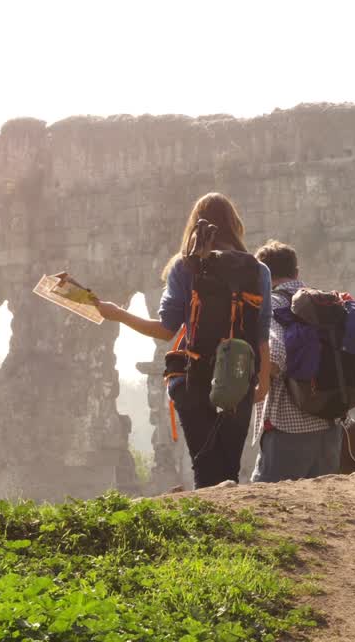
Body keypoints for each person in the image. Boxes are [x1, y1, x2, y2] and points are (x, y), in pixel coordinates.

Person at [97, 192, 272, 489]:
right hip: (238, 376)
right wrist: (263, 380)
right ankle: (228, 530)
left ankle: (207, 529)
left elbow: (166, 330)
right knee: (229, 465)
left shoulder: (184, 267)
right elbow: (261, 332)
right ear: (234, 225)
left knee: (203, 464)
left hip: (194, 376)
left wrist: (118, 314)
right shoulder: (258, 270)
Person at [251, 239, 355, 482]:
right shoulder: (329, 304)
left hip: (287, 430)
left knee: (271, 506)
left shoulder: (272, 306)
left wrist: (255, 386)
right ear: (296, 273)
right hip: (331, 427)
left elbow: (274, 355)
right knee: (321, 509)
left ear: (262, 276)